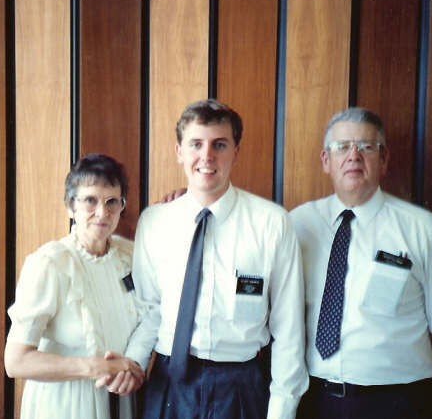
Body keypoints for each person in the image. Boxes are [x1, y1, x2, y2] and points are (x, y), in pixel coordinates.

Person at [104, 99, 309, 419]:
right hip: (169, 383)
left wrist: (282, 410)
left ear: (236, 152)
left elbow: (289, 327)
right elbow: (150, 310)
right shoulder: (154, 221)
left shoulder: (272, 223)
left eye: (220, 144)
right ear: (179, 152)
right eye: (196, 144)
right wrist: (134, 364)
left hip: (240, 385)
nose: (207, 156)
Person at [290, 107, 432, 419]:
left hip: (398, 404)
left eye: (366, 147)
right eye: (342, 147)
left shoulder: (420, 228)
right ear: (326, 160)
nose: (354, 156)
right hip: (315, 402)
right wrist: (186, 203)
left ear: (384, 160)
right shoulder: (297, 225)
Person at [4, 153, 145, 419]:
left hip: (123, 400)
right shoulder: (50, 264)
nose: (102, 213)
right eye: (90, 200)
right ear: (71, 206)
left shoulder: (131, 256)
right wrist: (95, 368)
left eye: (112, 201)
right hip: (65, 404)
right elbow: (16, 362)